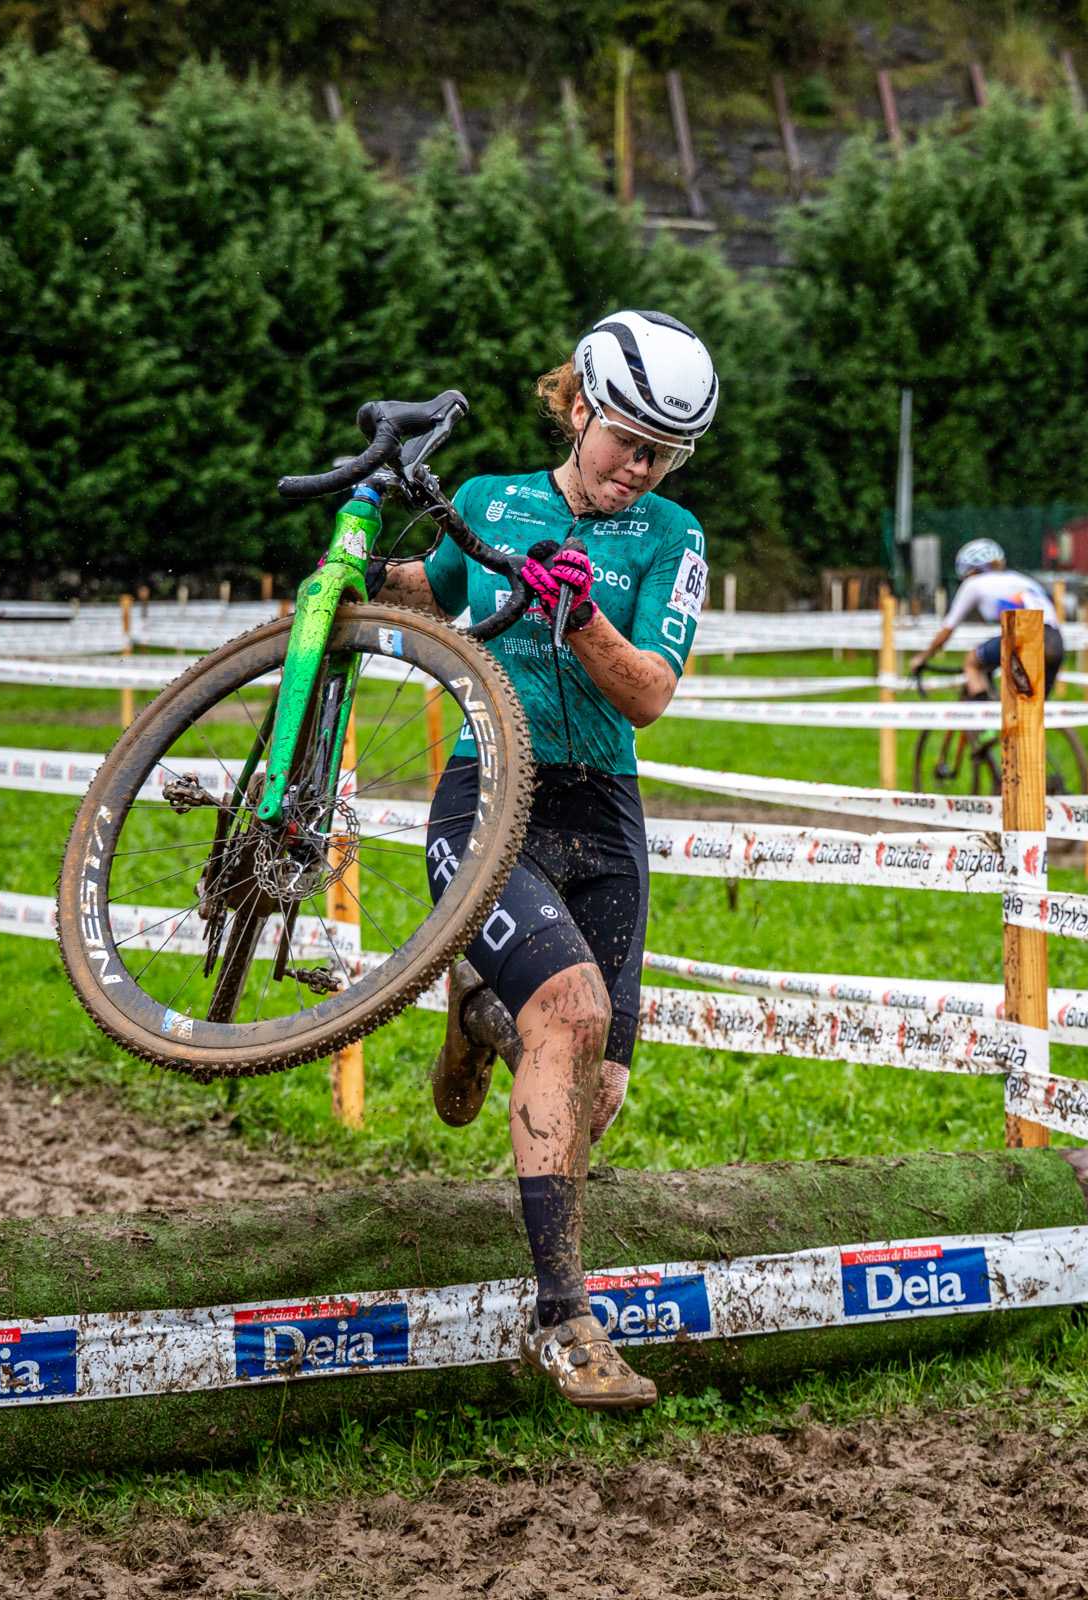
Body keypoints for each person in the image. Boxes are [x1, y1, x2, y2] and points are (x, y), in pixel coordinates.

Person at [379, 310, 714, 1413]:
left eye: (664, 452)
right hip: (494, 796)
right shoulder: (489, 501)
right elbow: (438, 584)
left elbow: (651, 693)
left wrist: (579, 620)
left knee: (599, 1083)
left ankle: (480, 1019)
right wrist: (348, 574)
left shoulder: (674, 533)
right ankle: (563, 1321)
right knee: (566, 1014)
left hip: (604, 809)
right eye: (627, 438)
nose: (640, 466)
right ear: (577, 405)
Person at [905, 538, 1061, 698]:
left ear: (968, 569)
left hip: (1024, 637)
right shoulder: (1021, 579)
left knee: (972, 662)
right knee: (1036, 707)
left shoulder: (973, 583)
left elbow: (948, 628)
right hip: (1055, 642)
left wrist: (923, 657)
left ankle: (982, 712)